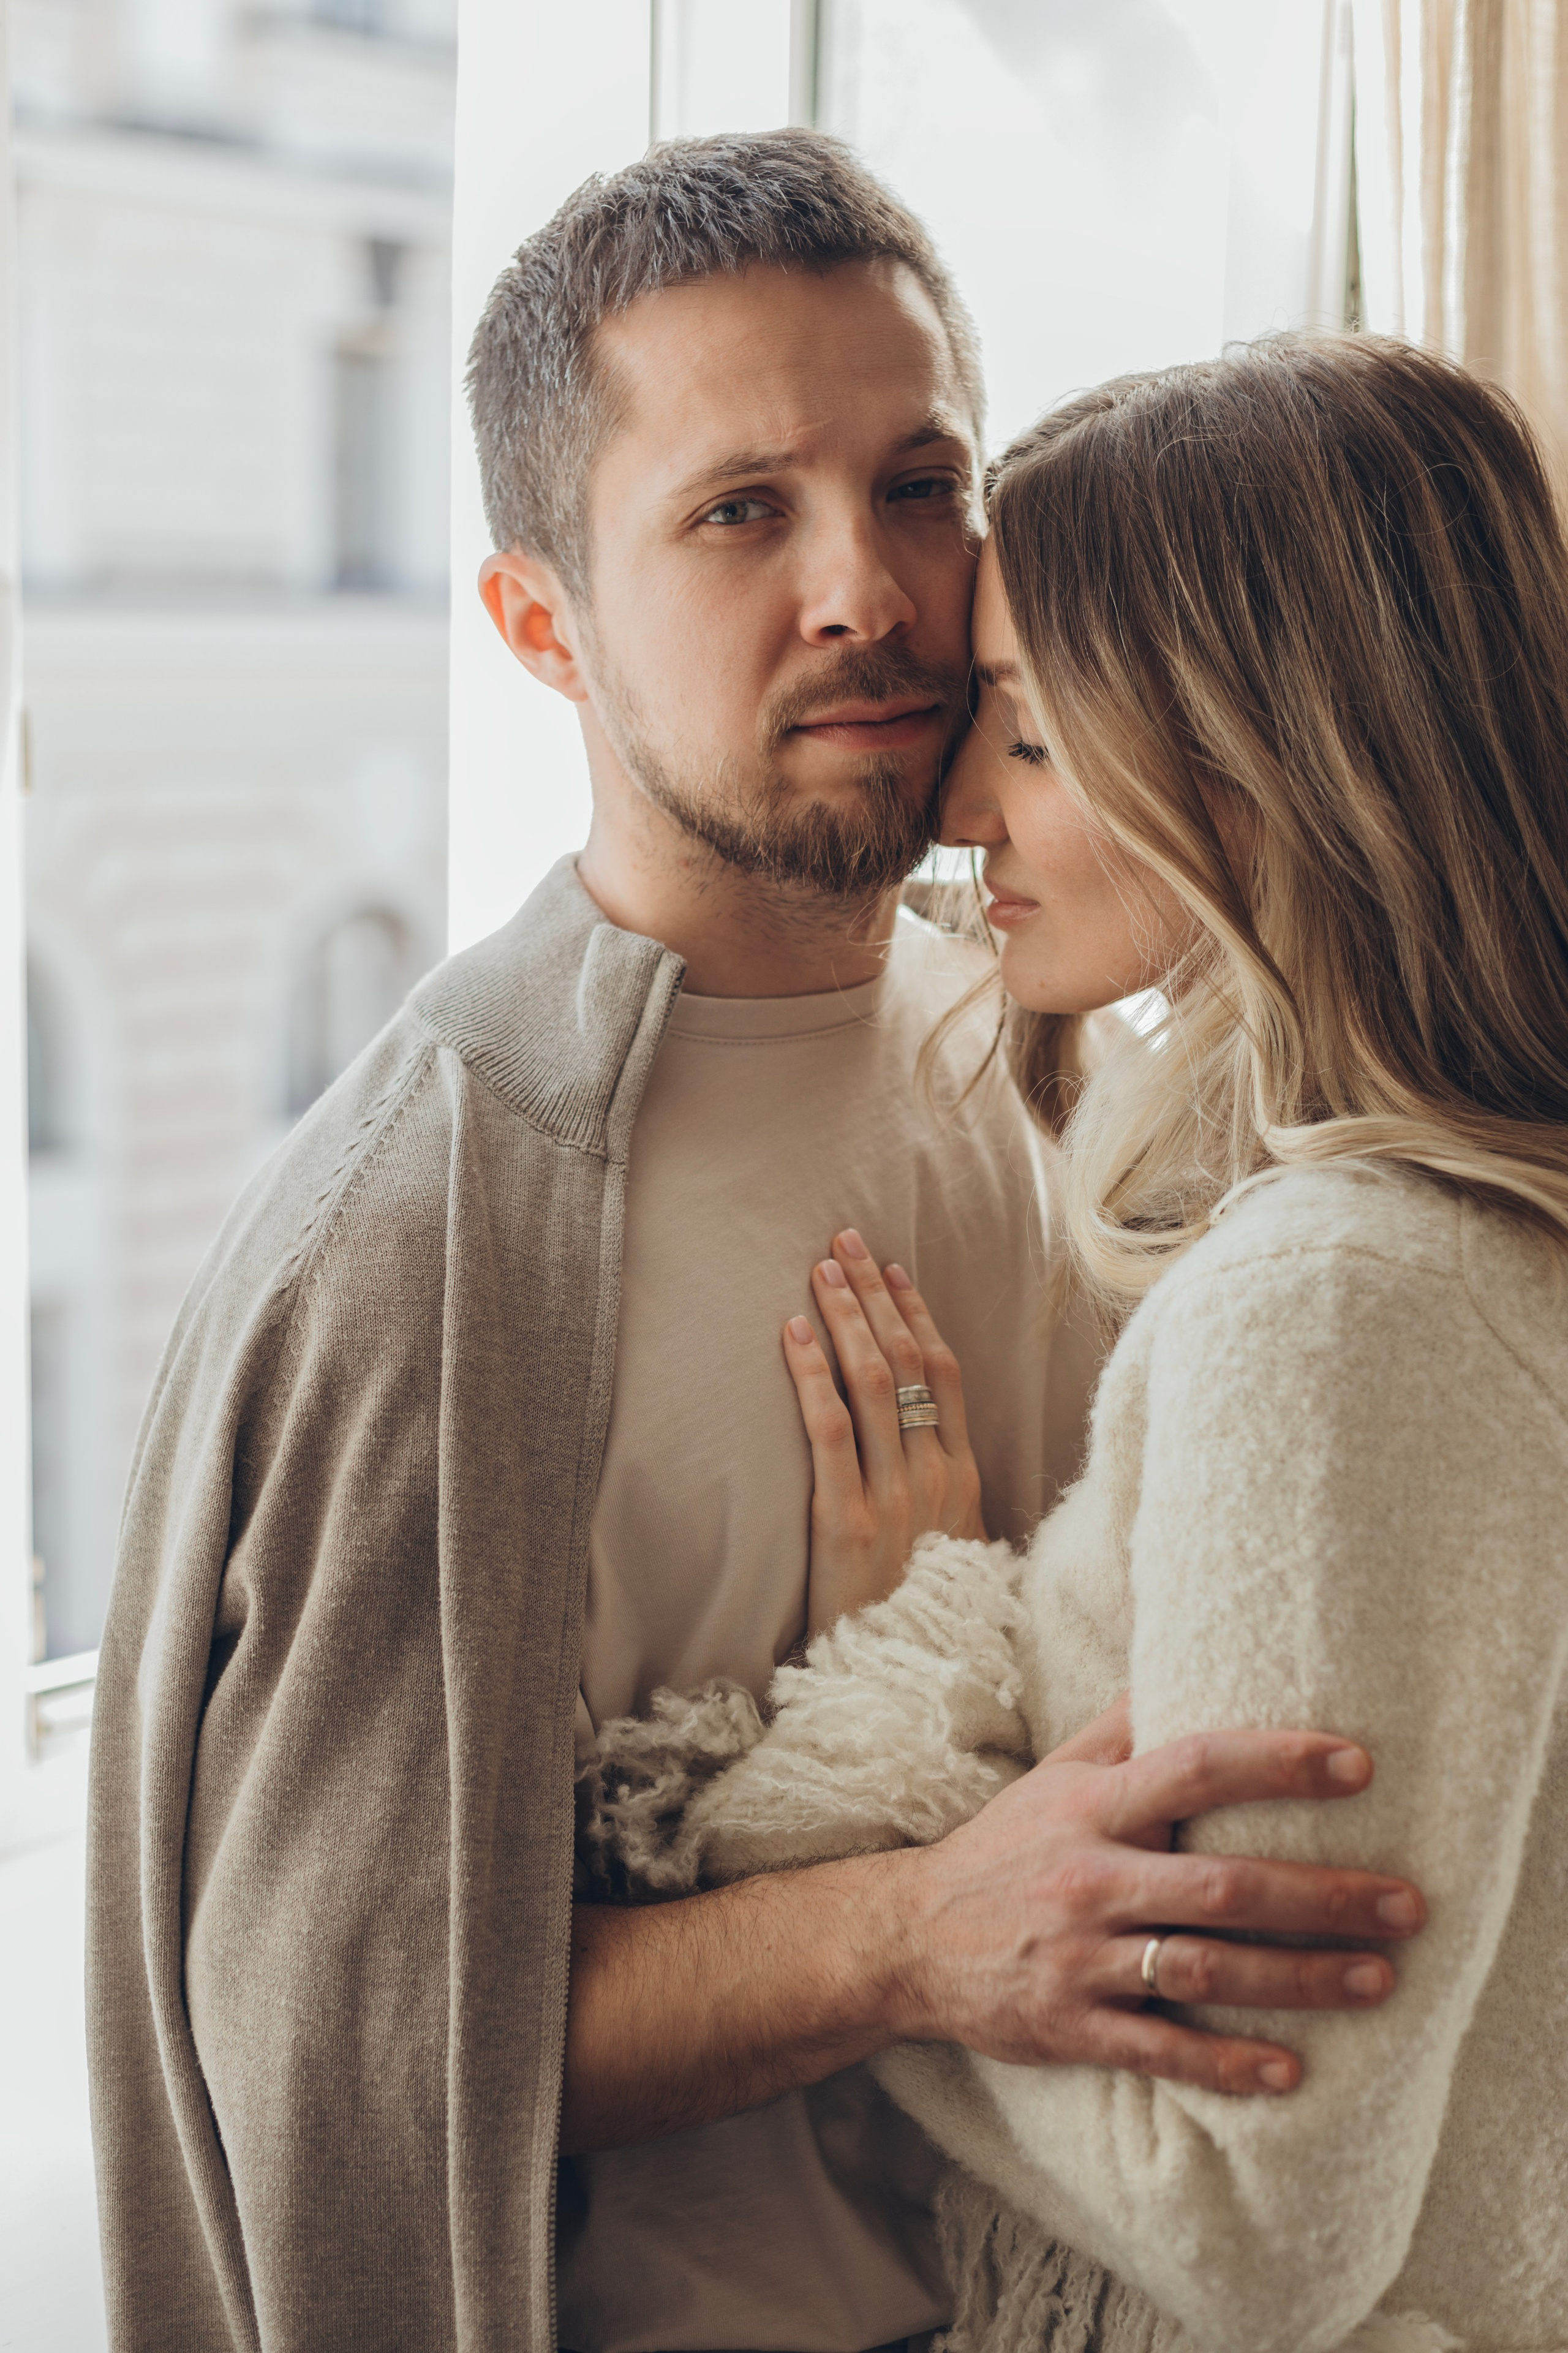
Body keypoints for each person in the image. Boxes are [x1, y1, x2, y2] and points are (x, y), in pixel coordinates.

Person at [86, 139, 1426, 2353]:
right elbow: (346, 2052)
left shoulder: (1092, 1047)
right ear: (542, 624)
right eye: (740, 513)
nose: (870, 593)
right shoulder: (421, 1243)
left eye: (920, 482)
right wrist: (911, 1930)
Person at [616, 334, 1568, 2353]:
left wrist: (903, 1765)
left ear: (1265, 766)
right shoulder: (1464, 1237)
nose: (959, 799)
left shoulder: (1337, 1308)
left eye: (1033, 736)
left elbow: (1253, 2219)